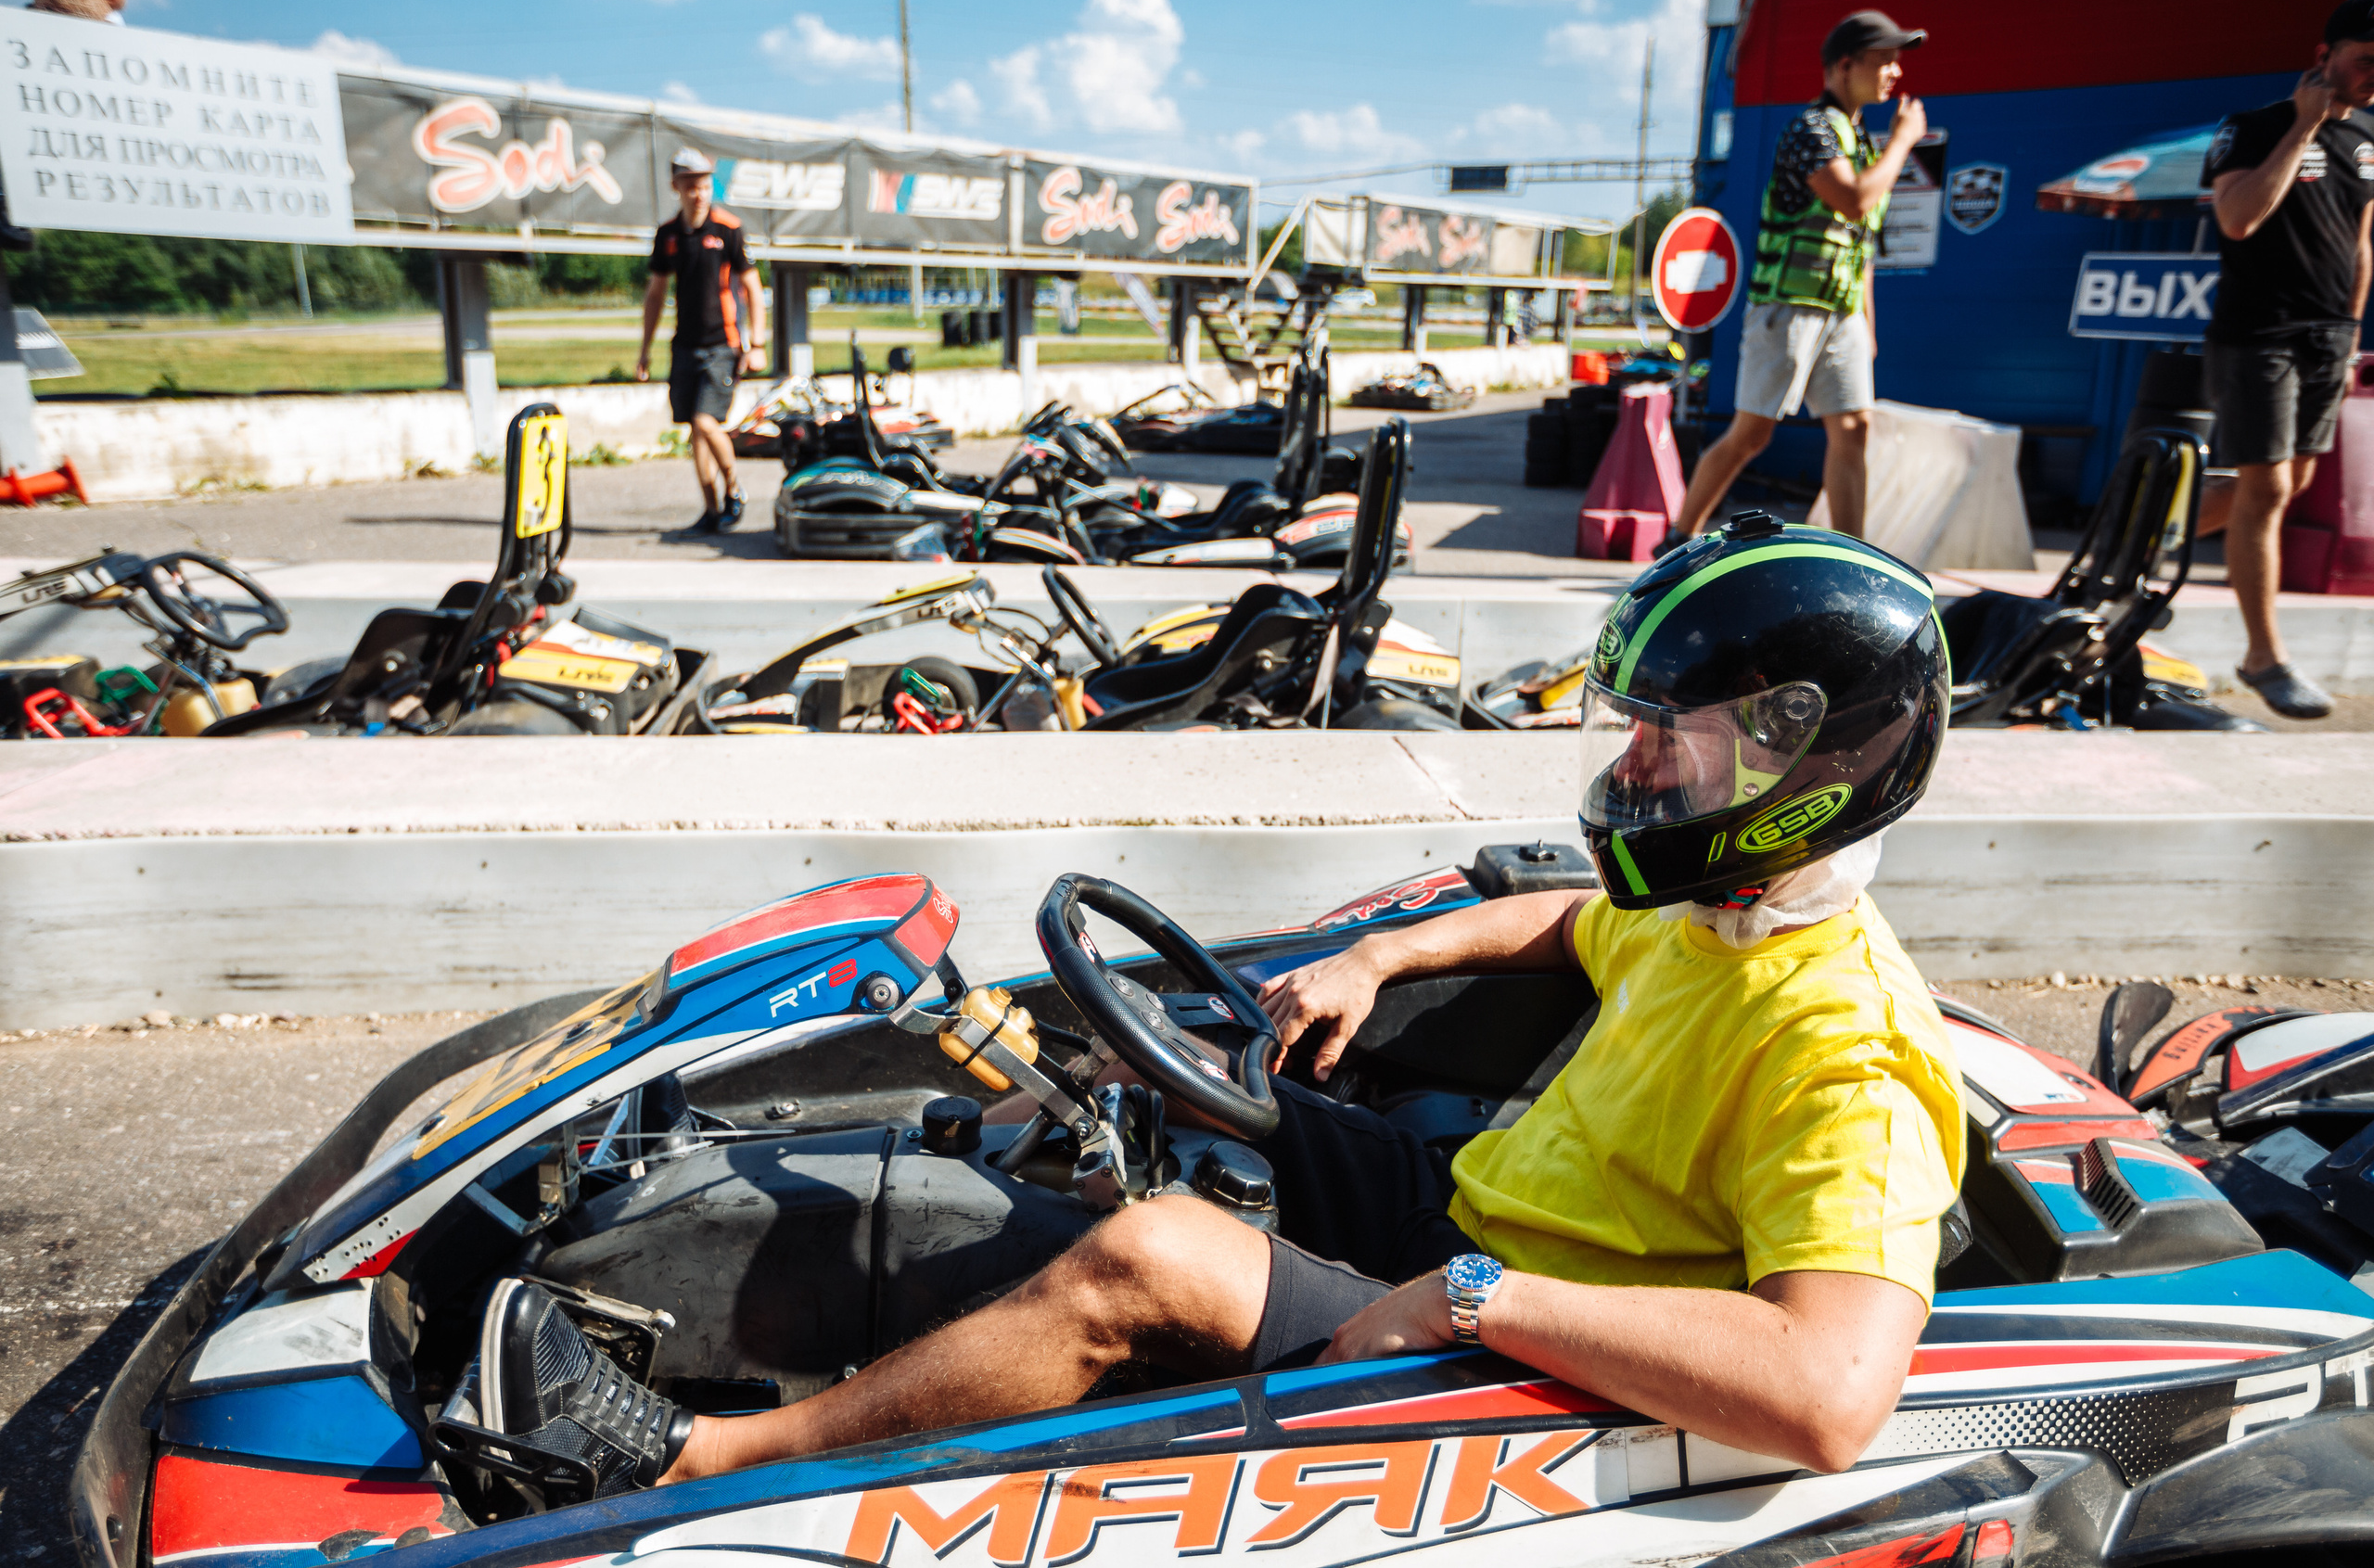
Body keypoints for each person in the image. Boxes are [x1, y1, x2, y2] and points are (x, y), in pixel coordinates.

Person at [468, 517, 1964, 1497]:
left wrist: (1472, 1299)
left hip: (1532, 1322)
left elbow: (1830, 1395)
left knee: (1152, 1255)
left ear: (1798, 760)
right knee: (1174, 1064)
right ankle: (918, 1233)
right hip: (1479, 1206)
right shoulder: (1715, 906)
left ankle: (711, 1458)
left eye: (1673, 741)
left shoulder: (1850, 1055)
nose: (1636, 769)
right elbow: (1572, 921)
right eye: (1635, 731)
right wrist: (1387, 956)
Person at [1667, 10, 1928, 547]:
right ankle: (1678, 537)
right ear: (1844, 65)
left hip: (1843, 314)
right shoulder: (1809, 130)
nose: (1894, 73)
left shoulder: (1861, 143)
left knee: (1855, 428)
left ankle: (1855, 555)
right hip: (1786, 308)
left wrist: (1866, 326)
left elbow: (1862, 248)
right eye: (1884, 61)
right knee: (1751, 435)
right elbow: (1854, 202)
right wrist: (1905, 142)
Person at [2190, 0, 2374, 720]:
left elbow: (2361, 240)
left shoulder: (2369, 136)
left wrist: (2353, 330)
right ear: (2325, 53)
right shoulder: (2256, 126)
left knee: (2284, 485)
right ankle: (2264, 657)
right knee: (2266, 490)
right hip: (2259, 333)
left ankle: (2150, 538)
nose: (2372, 78)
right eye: (2363, 61)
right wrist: (2305, 124)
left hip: (2330, 338)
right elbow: (2237, 219)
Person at [636, 148, 765, 536]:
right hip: (685, 346)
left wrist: (756, 342)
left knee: (704, 420)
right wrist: (644, 350)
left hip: (723, 344)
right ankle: (712, 510)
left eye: (705, 185)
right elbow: (656, 294)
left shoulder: (728, 229)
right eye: (691, 186)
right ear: (677, 187)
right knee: (695, 432)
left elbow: (753, 288)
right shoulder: (669, 235)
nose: (699, 194)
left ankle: (734, 487)